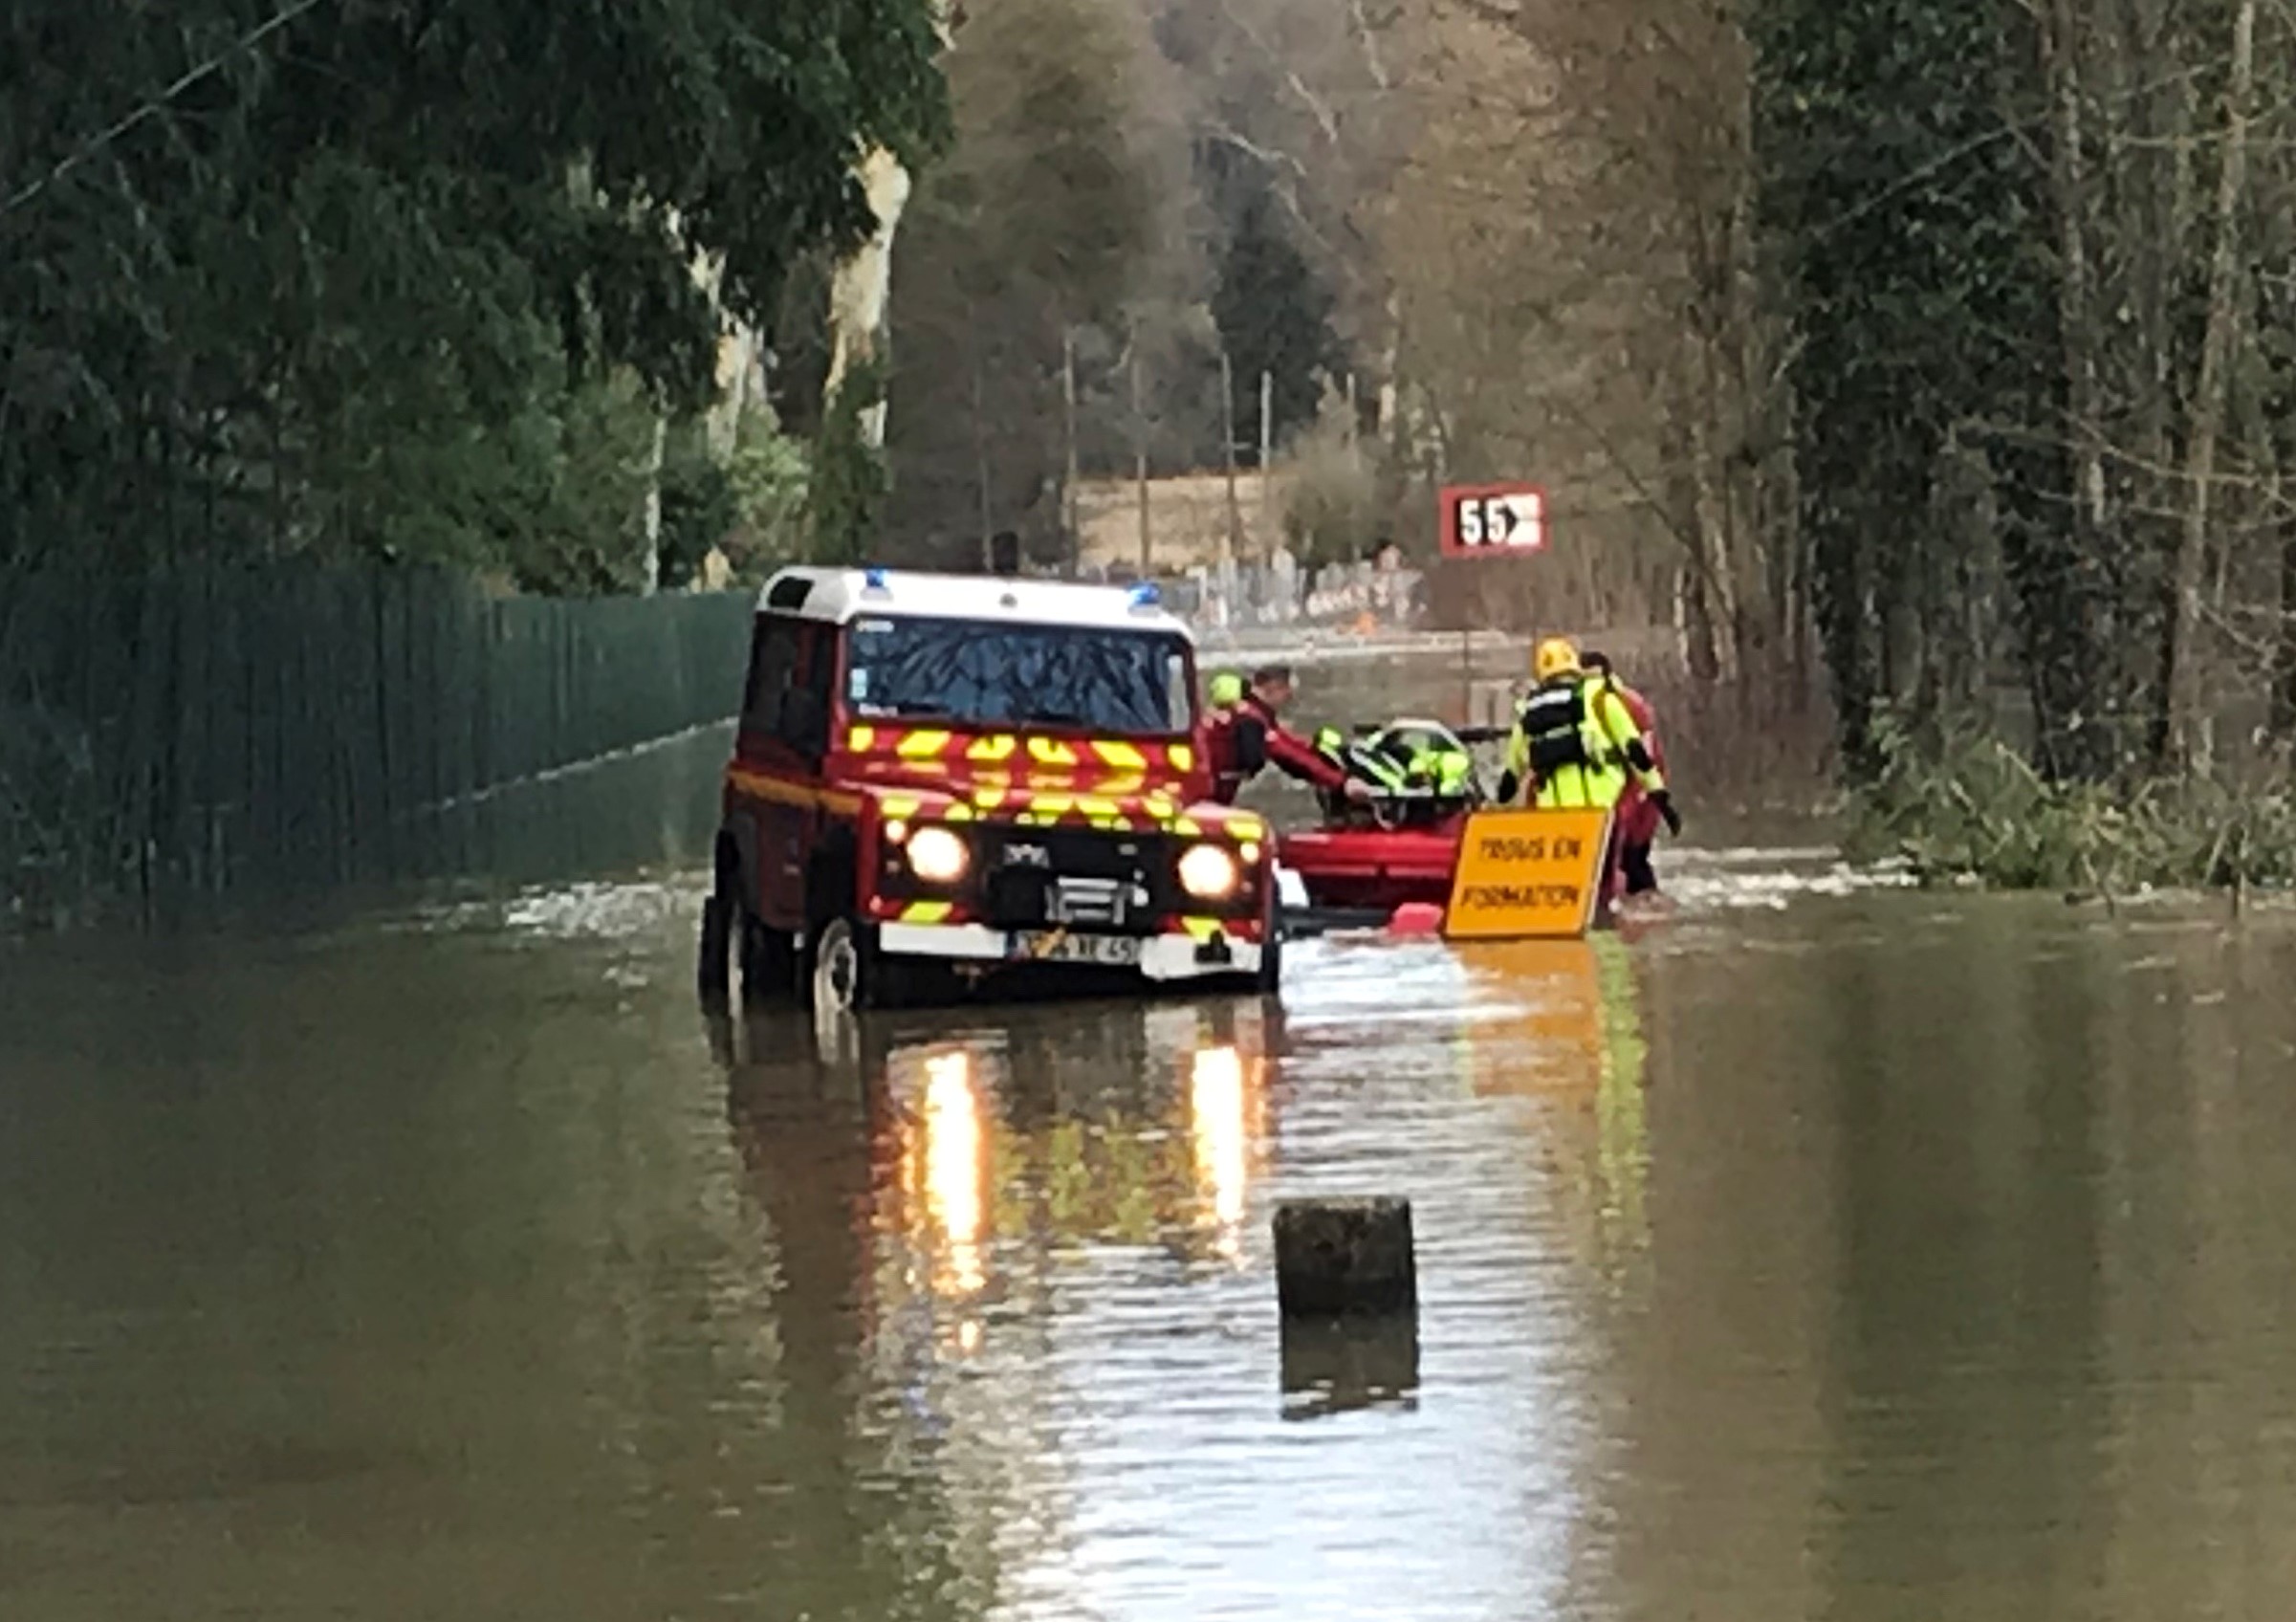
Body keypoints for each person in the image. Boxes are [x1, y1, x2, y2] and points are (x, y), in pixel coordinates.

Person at [1498, 636, 1677, 840]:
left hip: (1553, 816)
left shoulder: (1529, 711)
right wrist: (1659, 795)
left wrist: (1497, 812)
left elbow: (1511, 776)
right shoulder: (1600, 698)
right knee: (1608, 858)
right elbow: (1635, 751)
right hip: (1601, 809)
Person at [1580, 650, 1666, 896]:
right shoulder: (1579, 707)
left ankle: (1645, 901)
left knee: (1633, 857)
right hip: (1607, 796)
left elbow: (1647, 757)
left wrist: (1640, 794)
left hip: (1637, 793)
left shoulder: (1628, 704)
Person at [1222, 664, 1370, 805]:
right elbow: (1289, 755)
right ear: (1274, 687)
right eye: (1287, 693)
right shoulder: (1251, 719)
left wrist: (1320, 749)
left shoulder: (1248, 712)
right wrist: (1342, 783)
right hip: (1212, 794)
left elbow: (1290, 745)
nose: (1288, 699)